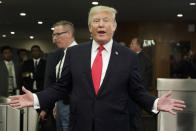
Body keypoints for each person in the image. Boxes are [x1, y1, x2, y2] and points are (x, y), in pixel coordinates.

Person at [8, 5, 185, 131]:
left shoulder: (128, 56)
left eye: (106, 20)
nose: (101, 24)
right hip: (80, 124)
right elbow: (61, 87)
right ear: (90, 27)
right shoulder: (74, 53)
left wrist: (155, 102)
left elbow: (137, 91)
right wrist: (38, 98)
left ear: (114, 27)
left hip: (116, 125)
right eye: (96, 21)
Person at [39, 20, 77, 131]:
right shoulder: (64, 54)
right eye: (53, 35)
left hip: (71, 106)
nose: (54, 39)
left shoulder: (79, 54)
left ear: (69, 34)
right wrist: (56, 104)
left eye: (57, 34)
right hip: (60, 104)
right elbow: (60, 84)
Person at [129, 38, 153, 131]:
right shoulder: (137, 57)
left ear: (138, 46)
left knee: (136, 118)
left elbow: (139, 77)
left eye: (132, 43)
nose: (130, 45)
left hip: (137, 93)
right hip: (137, 93)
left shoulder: (141, 58)